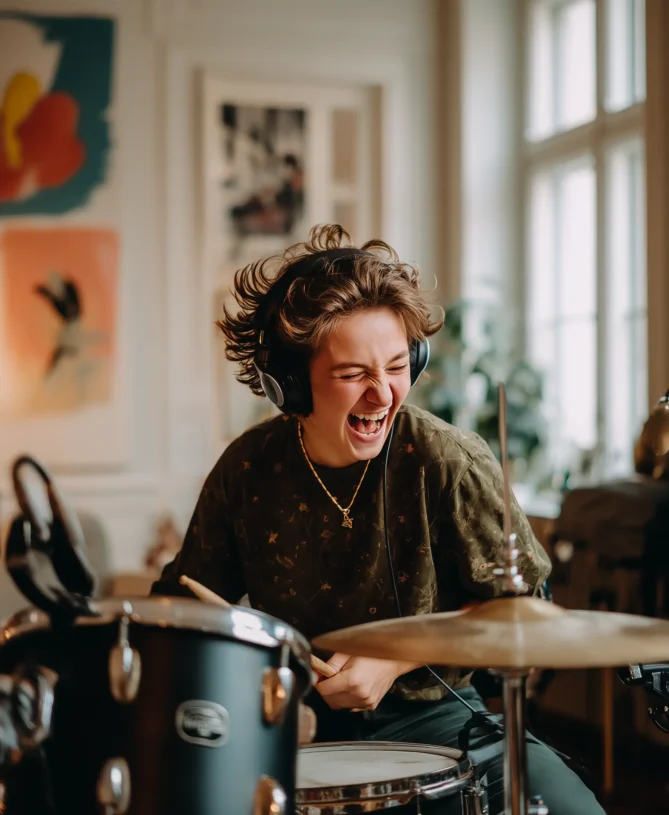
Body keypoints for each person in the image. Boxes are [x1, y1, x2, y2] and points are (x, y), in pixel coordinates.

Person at [152, 224, 605, 815]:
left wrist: (394, 659)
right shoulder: (247, 469)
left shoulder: (447, 459)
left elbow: (526, 607)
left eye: (396, 366)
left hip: (441, 717)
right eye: (352, 375)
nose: (383, 395)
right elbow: (185, 613)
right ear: (289, 384)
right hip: (292, 726)